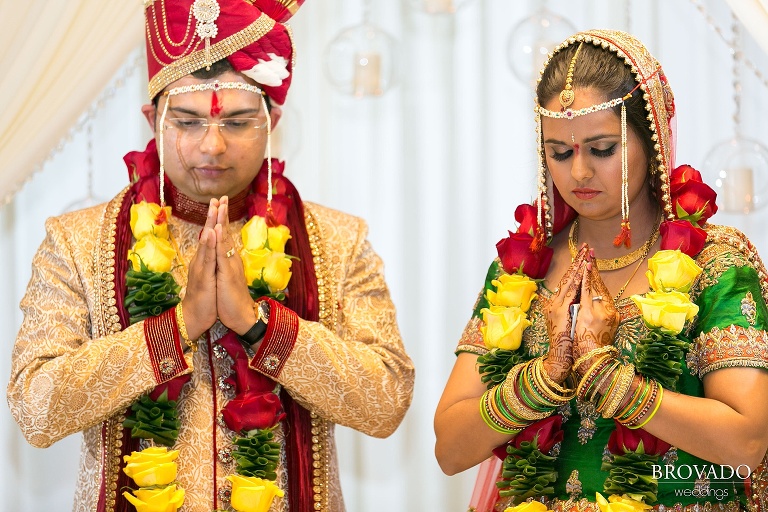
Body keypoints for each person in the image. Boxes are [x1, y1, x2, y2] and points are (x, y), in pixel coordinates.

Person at [7, 1, 414, 511]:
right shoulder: (76, 241)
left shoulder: (337, 240)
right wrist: (175, 328)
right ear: (153, 119)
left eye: (239, 122)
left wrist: (261, 327)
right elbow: (35, 409)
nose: (213, 145)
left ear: (274, 121)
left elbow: (386, 401)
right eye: (188, 121)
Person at [434, 29, 768, 512]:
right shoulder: (522, 272)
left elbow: (746, 442)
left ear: (650, 137)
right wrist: (540, 380)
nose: (580, 174)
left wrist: (609, 380)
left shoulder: (715, 264)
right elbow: (450, 448)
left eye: (603, 149)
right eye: (561, 153)